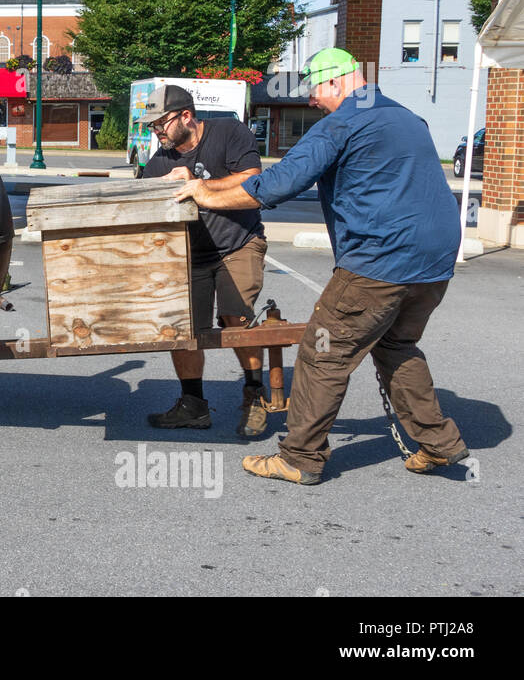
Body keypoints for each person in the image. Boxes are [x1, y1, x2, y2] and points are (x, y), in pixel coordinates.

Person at [171, 48, 470, 485]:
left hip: (379, 262)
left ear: (336, 81)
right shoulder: (408, 118)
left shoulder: (343, 123)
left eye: (314, 89)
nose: (311, 101)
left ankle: (300, 457)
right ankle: (439, 444)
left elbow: (275, 184)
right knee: (395, 347)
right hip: (434, 264)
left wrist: (203, 192)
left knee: (321, 351)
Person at [138, 84, 271, 437]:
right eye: (152, 127)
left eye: (161, 123)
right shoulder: (160, 161)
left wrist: (198, 184)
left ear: (186, 115)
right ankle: (193, 404)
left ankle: (255, 395)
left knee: (235, 318)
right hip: (190, 254)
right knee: (182, 330)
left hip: (238, 244)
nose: (157, 132)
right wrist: (158, 188)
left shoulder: (229, 133)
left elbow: (252, 185)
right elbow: (138, 204)